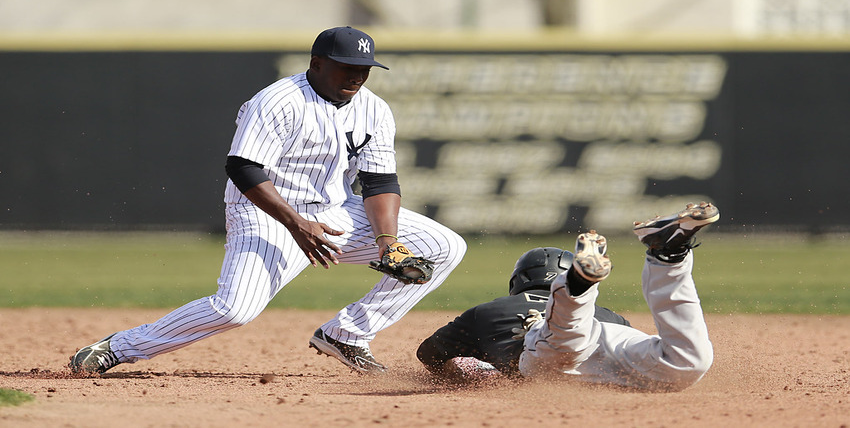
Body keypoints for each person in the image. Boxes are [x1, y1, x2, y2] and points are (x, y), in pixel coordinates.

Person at [69, 26, 466, 375]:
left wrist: (386, 241)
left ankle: (346, 334)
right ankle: (118, 347)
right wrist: (295, 223)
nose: (357, 76)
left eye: (364, 68)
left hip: (335, 213)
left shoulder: (375, 109)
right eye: (347, 67)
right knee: (235, 309)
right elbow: (243, 168)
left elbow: (379, 181)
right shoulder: (278, 101)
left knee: (445, 246)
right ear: (317, 63)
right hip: (267, 215)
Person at [418, 202, 718, 391]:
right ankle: (670, 256)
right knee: (688, 363)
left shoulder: (489, 310)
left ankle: (578, 285)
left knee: (562, 343)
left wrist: (470, 371)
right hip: (608, 337)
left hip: (550, 349)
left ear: (519, 280)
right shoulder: (611, 314)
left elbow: (430, 354)